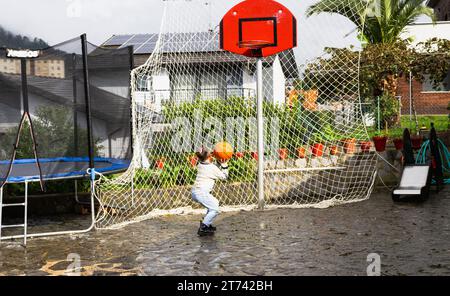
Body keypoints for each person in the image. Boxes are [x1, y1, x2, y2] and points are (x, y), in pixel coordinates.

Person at [192, 146, 229, 236]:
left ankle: (207, 224)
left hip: (195, 191)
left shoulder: (200, 164)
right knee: (215, 209)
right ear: (209, 156)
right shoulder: (212, 168)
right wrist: (224, 165)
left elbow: (211, 166)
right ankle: (204, 227)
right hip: (201, 192)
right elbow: (224, 177)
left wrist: (217, 162)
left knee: (214, 203)